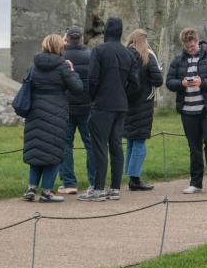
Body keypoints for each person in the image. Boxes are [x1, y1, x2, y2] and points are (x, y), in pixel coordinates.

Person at [22, 34, 88, 203]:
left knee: (37, 150)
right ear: (60, 47)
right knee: (54, 152)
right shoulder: (62, 66)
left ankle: (31, 188)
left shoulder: (34, 65)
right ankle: (46, 192)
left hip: (35, 111)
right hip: (56, 112)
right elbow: (78, 88)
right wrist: (73, 71)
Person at [81, 17, 141, 201]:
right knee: (116, 145)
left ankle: (98, 188)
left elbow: (93, 79)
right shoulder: (127, 54)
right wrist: (124, 96)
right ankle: (115, 188)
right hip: (120, 105)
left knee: (99, 146)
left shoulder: (99, 50)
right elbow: (135, 83)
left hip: (102, 104)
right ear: (121, 31)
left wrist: (94, 97)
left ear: (106, 31)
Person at [165, 27, 207, 194]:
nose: (190, 47)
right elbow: (169, 82)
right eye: (187, 45)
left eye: (192, 44)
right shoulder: (178, 61)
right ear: (183, 44)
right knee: (194, 147)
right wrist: (182, 83)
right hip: (188, 109)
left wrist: (203, 82)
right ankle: (195, 182)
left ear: (197, 41)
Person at [124, 28, 163, 191]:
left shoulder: (125, 55)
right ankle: (135, 178)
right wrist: (159, 69)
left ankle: (129, 174)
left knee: (131, 141)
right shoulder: (147, 56)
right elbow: (158, 80)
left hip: (127, 102)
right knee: (139, 141)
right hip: (143, 103)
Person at [57, 26, 95, 195]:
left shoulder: (60, 57)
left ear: (66, 38)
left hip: (66, 106)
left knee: (65, 144)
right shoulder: (91, 55)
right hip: (88, 106)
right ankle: (94, 182)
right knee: (91, 144)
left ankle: (69, 183)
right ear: (81, 38)